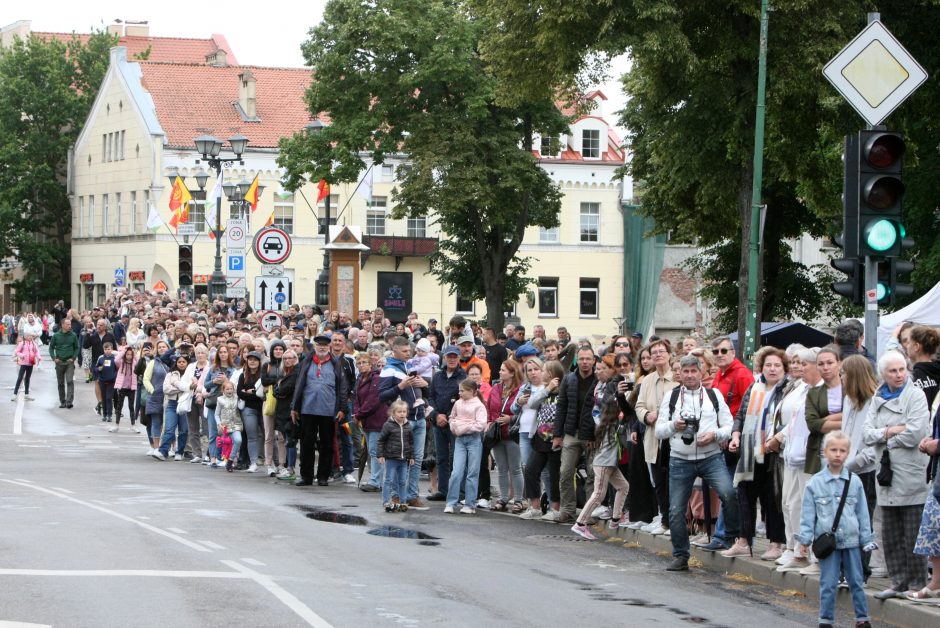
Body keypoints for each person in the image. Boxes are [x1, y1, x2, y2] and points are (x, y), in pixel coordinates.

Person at [655, 353, 737, 572]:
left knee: (728, 492)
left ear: (701, 372)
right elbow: (659, 431)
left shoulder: (714, 395)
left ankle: (731, 537)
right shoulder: (671, 397)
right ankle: (681, 555)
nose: (690, 375)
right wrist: (675, 425)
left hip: (710, 456)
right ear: (680, 374)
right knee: (675, 510)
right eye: (686, 371)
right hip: (680, 460)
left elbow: (729, 426)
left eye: (694, 371)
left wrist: (715, 435)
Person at [864, 350, 930, 600]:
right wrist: (891, 430)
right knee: (890, 532)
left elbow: (915, 433)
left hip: (910, 471)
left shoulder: (916, 395)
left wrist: (884, 437)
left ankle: (915, 583)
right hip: (886, 472)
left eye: (902, 369)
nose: (899, 374)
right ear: (883, 373)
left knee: (912, 532)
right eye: (893, 371)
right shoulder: (877, 397)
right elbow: (867, 434)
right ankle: (898, 581)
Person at [796, 431, 874, 628]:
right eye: (833, 450)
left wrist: (867, 540)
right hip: (828, 542)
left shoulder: (854, 482)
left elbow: (862, 513)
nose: (837, 454)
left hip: (852, 540)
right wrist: (804, 540)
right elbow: (808, 515)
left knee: (856, 581)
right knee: (828, 583)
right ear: (825, 452)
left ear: (848, 453)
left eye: (842, 450)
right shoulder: (815, 483)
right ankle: (826, 620)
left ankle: (862, 618)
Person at [725, 347, 789, 559]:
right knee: (745, 493)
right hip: (751, 447)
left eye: (777, 365)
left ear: (784, 368)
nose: (772, 369)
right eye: (768, 365)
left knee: (772, 497)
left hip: (773, 450)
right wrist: (735, 435)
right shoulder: (755, 386)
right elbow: (741, 415)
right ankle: (744, 540)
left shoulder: (786, 389)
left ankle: (776, 543)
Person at [632, 339, 678, 535]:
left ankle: (676, 520)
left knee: (673, 480)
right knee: (658, 480)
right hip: (652, 436)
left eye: (661, 351)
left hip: (674, 437)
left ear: (669, 354)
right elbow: (639, 405)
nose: (658, 355)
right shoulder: (648, 380)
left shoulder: (677, 377)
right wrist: (646, 416)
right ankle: (665, 520)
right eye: (654, 353)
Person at [840, 354, 879, 578]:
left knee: (864, 522)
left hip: (865, 470)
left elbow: (872, 447)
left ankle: (860, 569)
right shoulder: (848, 400)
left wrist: (852, 463)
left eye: (844, 373)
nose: (841, 377)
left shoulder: (874, 401)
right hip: (846, 468)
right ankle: (846, 568)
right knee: (846, 521)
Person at [291, 335, 349, 487]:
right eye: (319, 345)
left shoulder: (336, 364)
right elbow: (298, 385)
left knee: (327, 445)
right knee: (306, 444)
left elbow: (343, 387)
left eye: (325, 345)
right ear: (315, 346)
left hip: (329, 410)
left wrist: (343, 408)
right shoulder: (306, 362)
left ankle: (323, 476)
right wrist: (294, 407)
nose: (322, 347)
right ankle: (306, 476)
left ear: (329, 347)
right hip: (307, 409)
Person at [378, 336, 429, 508]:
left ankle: (412, 495)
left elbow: (422, 390)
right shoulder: (388, 368)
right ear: (395, 351)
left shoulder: (411, 365)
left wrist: (424, 384)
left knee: (417, 459)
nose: (409, 354)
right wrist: (401, 386)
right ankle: (396, 496)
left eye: (410, 351)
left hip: (419, 417)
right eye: (405, 351)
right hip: (401, 421)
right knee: (399, 459)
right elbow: (382, 395)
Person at [571, 396, 630, 540]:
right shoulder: (615, 426)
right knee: (598, 495)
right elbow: (625, 442)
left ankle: (616, 518)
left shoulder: (604, 423)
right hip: (604, 464)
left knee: (623, 486)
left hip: (608, 463)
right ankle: (580, 523)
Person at [427, 345, 466, 501]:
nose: (452, 359)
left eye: (454, 356)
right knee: (441, 457)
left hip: (455, 423)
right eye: (449, 356)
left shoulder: (463, 376)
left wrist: (447, 417)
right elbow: (430, 397)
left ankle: (460, 492)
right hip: (438, 422)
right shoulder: (437, 376)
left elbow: (463, 399)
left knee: (457, 458)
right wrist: (436, 415)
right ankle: (443, 490)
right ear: (444, 358)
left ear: (458, 358)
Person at [445, 379, 489, 514]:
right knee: (456, 472)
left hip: (474, 440)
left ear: (471, 391)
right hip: (459, 440)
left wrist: (463, 427)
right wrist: (454, 426)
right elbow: (451, 417)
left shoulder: (479, 406)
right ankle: (451, 502)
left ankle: (470, 504)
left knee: (472, 473)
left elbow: (481, 424)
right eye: (459, 390)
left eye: (462, 391)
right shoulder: (458, 403)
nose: (460, 393)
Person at [488, 359, 524, 512]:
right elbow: (489, 407)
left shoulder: (521, 390)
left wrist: (511, 418)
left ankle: (518, 500)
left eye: (503, 370)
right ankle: (503, 499)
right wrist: (490, 422)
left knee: (515, 468)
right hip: (497, 434)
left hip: (512, 433)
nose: (500, 372)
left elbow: (524, 412)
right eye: (500, 370)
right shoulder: (496, 388)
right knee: (502, 468)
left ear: (512, 373)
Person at [354, 351, 388, 492]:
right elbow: (357, 399)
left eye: (364, 362)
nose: (361, 365)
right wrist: (357, 413)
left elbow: (372, 400)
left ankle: (376, 482)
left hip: (377, 419)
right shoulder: (360, 378)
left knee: (375, 451)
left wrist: (359, 414)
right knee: (371, 450)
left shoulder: (377, 378)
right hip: (366, 420)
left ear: (370, 364)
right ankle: (376, 480)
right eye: (359, 363)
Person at [376, 400, 415, 512]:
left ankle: (403, 502)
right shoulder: (388, 425)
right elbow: (381, 441)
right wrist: (381, 455)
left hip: (404, 460)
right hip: (391, 459)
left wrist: (412, 456)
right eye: (399, 412)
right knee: (388, 480)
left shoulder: (408, 426)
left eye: (404, 411)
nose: (402, 414)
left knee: (403, 481)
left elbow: (411, 442)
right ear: (393, 413)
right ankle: (386, 502)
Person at [153, 354, 191, 462]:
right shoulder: (171, 374)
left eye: (184, 362)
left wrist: (184, 387)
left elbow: (192, 388)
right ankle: (163, 451)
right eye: (179, 362)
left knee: (183, 430)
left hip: (184, 404)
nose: (181, 364)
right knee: (169, 429)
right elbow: (166, 389)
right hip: (172, 404)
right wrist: (182, 388)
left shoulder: (190, 375)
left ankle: (179, 452)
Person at [272, 349, 301, 480]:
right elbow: (276, 390)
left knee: (291, 441)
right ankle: (290, 468)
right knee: (287, 439)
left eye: (290, 358)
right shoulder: (283, 372)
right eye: (285, 358)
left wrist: (279, 391)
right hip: (282, 410)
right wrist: (278, 391)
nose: (288, 360)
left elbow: (286, 388)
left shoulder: (296, 372)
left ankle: (291, 469)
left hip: (291, 411)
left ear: (295, 359)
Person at [236, 351, 266, 473]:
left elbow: (264, 394)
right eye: (250, 359)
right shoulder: (243, 375)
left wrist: (251, 392)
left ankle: (273, 463)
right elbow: (239, 393)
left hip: (263, 408)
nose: (252, 361)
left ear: (259, 362)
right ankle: (253, 462)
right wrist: (254, 394)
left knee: (269, 436)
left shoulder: (263, 375)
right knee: (251, 436)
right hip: (249, 409)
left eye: (255, 359)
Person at [49, 318, 79, 408]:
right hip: (59, 362)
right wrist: (54, 358)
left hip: (69, 362)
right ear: (62, 325)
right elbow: (51, 348)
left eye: (70, 324)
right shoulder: (56, 336)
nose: (70, 326)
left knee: (70, 381)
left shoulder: (73, 335)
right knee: (60, 383)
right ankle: (62, 401)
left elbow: (77, 348)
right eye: (68, 324)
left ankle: (69, 401)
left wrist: (73, 358)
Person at [215, 379, 244, 472]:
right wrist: (219, 424)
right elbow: (216, 414)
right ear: (223, 390)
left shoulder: (237, 398)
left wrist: (242, 397)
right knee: (227, 445)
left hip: (236, 425)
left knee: (238, 440)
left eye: (231, 389)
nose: (229, 391)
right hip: (225, 427)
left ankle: (230, 460)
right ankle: (224, 459)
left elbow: (241, 407)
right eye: (227, 389)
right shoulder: (220, 400)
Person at [111, 345, 139, 432]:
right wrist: (124, 351)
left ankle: (133, 425)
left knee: (131, 407)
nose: (129, 356)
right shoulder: (121, 362)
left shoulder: (134, 363)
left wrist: (134, 352)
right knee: (119, 406)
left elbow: (139, 360)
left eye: (131, 355)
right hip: (122, 387)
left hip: (131, 388)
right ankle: (116, 425)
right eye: (128, 354)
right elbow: (116, 359)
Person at [12, 333, 40, 401]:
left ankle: (26, 395)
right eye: (29, 335)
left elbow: (36, 352)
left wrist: (39, 357)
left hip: (30, 363)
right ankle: (14, 394)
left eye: (31, 336)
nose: (31, 337)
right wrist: (22, 355)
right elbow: (17, 352)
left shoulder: (33, 344)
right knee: (20, 378)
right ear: (26, 336)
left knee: (27, 379)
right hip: (23, 363)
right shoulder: (22, 343)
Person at [96, 342, 119, 423]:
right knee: (104, 398)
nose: (107, 351)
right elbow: (96, 367)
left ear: (112, 349)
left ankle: (109, 415)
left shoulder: (115, 358)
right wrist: (98, 369)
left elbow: (117, 369)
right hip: (102, 380)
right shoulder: (101, 358)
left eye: (109, 349)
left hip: (112, 381)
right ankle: (104, 414)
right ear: (103, 350)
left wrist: (114, 376)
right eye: (105, 349)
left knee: (109, 398)